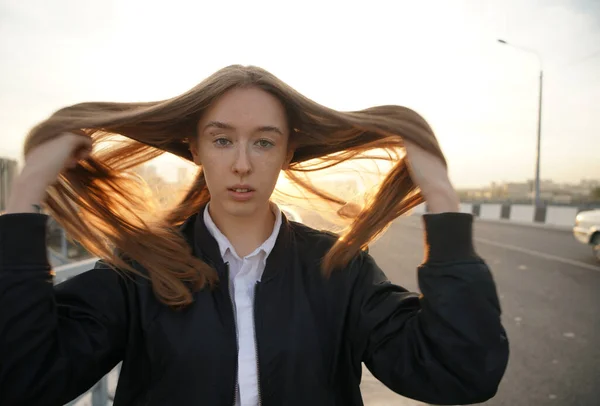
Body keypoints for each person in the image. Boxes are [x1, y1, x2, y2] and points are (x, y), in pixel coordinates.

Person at [0, 65, 509, 406]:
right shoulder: (139, 272)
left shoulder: (339, 269)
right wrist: (24, 195)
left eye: (263, 142)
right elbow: (25, 376)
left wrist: (440, 198)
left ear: (287, 152)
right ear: (195, 149)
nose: (242, 164)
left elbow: (459, 371)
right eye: (222, 140)